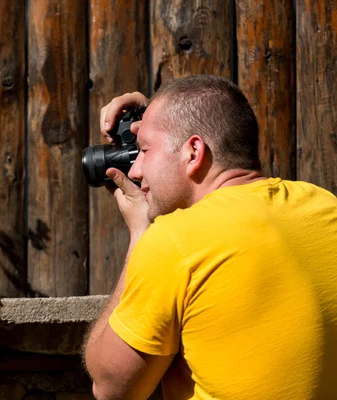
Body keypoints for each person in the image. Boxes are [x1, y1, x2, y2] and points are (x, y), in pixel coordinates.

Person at [82, 75, 337, 400]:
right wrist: (157, 118)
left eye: (143, 150)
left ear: (194, 151)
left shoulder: (175, 242)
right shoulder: (325, 206)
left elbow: (111, 388)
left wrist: (140, 236)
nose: (134, 170)